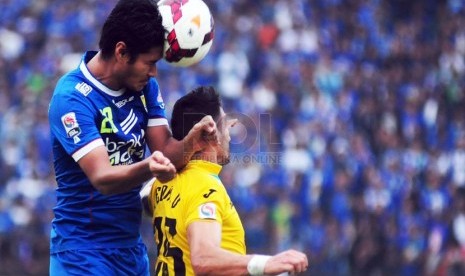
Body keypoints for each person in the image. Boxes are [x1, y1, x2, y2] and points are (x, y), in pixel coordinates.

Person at [47, 0, 217, 275]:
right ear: (121, 51)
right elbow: (102, 177)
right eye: (149, 63)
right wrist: (149, 166)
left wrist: (191, 142)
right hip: (82, 252)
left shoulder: (144, 87)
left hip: (130, 251)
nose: (153, 72)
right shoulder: (72, 98)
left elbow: (164, 150)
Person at [146, 86, 309, 275]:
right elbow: (203, 260)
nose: (230, 135)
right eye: (225, 126)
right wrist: (265, 263)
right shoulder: (204, 186)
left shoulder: (161, 183)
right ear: (210, 132)